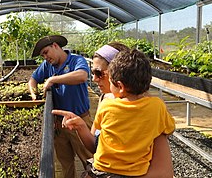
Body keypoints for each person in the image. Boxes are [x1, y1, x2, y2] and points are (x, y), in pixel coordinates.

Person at [53, 49, 175, 177]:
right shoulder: (157, 107)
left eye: (102, 74)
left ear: (120, 86)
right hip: (134, 174)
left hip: (101, 171)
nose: (94, 79)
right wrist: (81, 126)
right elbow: (169, 129)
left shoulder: (107, 106)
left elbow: (164, 172)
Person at [28, 35, 93, 178]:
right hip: (59, 125)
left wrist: (53, 79)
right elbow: (33, 79)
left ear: (55, 46)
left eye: (46, 52)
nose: (45, 57)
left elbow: (82, 76)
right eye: (42, 55)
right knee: (65, 163)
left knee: (90, 161)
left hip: (79, 121)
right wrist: (34, 93)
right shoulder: (48, 65)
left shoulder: (76, 60)